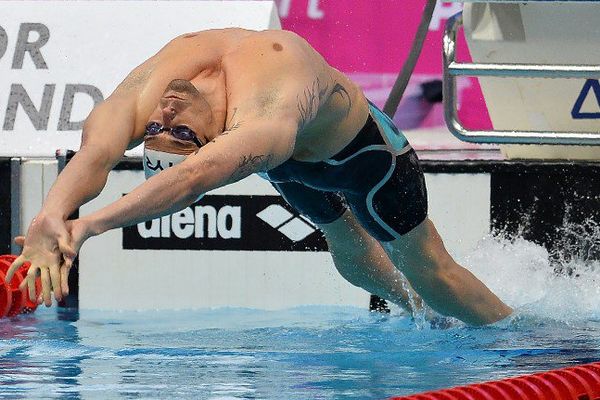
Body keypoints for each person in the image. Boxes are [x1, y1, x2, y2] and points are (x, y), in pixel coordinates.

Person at [6, 28, 512, 325]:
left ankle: (512, 334)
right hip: (288, 162)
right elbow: (146, 165)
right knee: (342, 236)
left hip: (363, 159)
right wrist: (66, 219)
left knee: (430, 266)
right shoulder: (239, 128)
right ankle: (422, 312)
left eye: (161, 129)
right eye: (171, 130)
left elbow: (151, 167)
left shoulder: (230, 102)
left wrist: (70, 222)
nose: (165, 112)